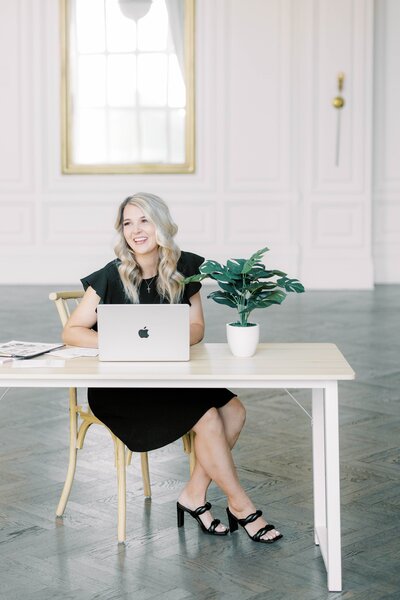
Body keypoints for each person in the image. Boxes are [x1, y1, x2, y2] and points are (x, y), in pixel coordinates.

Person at [63, 192, 282, 544]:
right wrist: (122, 344)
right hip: (121, 388)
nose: (136, 230)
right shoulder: (111, 275)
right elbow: (71, 331)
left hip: (169, 375)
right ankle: (242, 506)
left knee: (235, 411)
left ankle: (193, 495)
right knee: (208, 417)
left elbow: (197, 328)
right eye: (128, 223)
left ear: (160, 224)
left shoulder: (185, 268)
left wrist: (166, 342)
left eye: (144, 220)